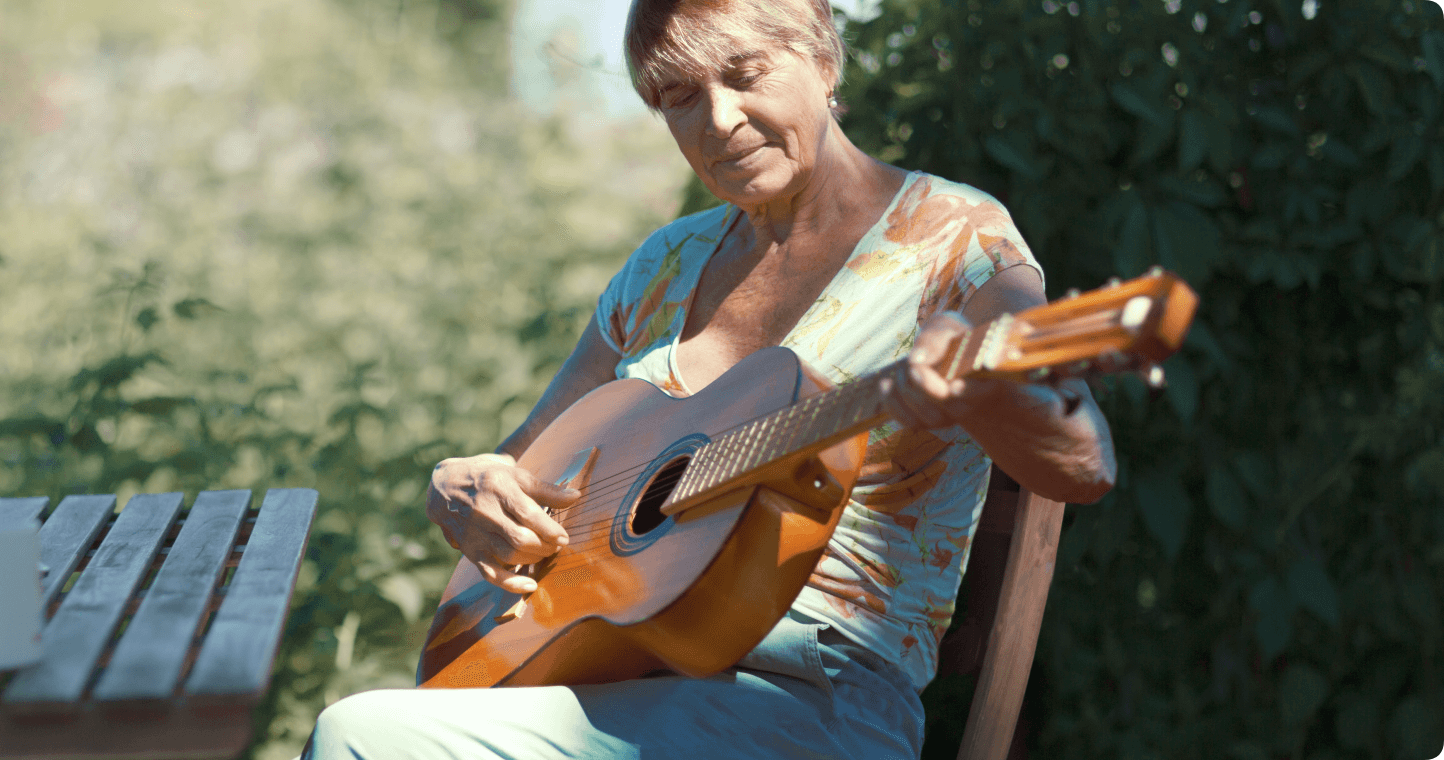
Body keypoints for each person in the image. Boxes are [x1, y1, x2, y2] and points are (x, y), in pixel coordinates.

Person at [304, 0, 1115, 757]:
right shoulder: (663, 265)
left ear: (823, 60)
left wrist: (995, 393)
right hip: (612, 672)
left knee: (362, 738)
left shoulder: (952, 240)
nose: (719, 120)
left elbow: (1084, 463)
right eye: (680, 96)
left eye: (745, 74)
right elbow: (522, 461)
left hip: (813, 696)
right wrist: (461, 487)